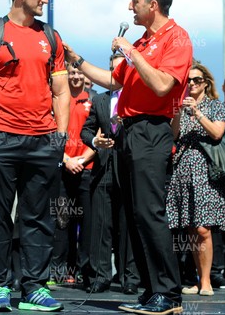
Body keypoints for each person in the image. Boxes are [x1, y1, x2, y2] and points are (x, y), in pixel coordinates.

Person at [65, 0, 191, 314]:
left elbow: (164, 84)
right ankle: (152, 290)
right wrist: (76, 60)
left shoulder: (176, 38)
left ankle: (169, 293)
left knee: (150, 212)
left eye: (134, 0)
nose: (129, 6)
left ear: (153, 5)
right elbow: (112, 80)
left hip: (153, 129)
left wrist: (131, 52)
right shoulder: (144, 40)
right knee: (135, 214)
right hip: (130, 132)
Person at [0, 0, 69, 312]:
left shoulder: (51, 37)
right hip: (3, 140)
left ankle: (34, 287)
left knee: (38, 218)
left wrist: (61, 137)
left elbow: (61, 91)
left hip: (44, 142)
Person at [168, 64, 225, 296]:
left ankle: (206, 281)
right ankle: (198, 278)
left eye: (196, 80)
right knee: (192, 229)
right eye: (188, 81)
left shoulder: (216, 106)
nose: (191, 84)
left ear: (206, 82)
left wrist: (197, 113)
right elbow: (174, 135)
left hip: (206, 172)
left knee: (204, 229)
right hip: (183, 170)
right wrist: (177, 112)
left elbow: (216, 133)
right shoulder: (181, 106)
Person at [80, 52, 140, 295]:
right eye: (114, 70)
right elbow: (86, 131)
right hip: (103, 168)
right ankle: (99, 277)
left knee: (129, 224)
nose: (118, 74)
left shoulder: (138, 99)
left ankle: (130, 278)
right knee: (101, 225)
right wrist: (94, 140)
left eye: (122, 70)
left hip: (130, 167)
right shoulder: (100, 100)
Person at [51, 63, 95, 289]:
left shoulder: (94, 100)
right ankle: (59, 271)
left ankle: (84, 272)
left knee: (86, 224)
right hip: (62, 167)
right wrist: (67, 159)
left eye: (79, 72)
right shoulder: (57, 98)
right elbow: (50, 132)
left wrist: (81, 160)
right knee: (61, 221)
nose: (76, 76)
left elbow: (100, 134)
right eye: (72, 72)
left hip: (86, 168)